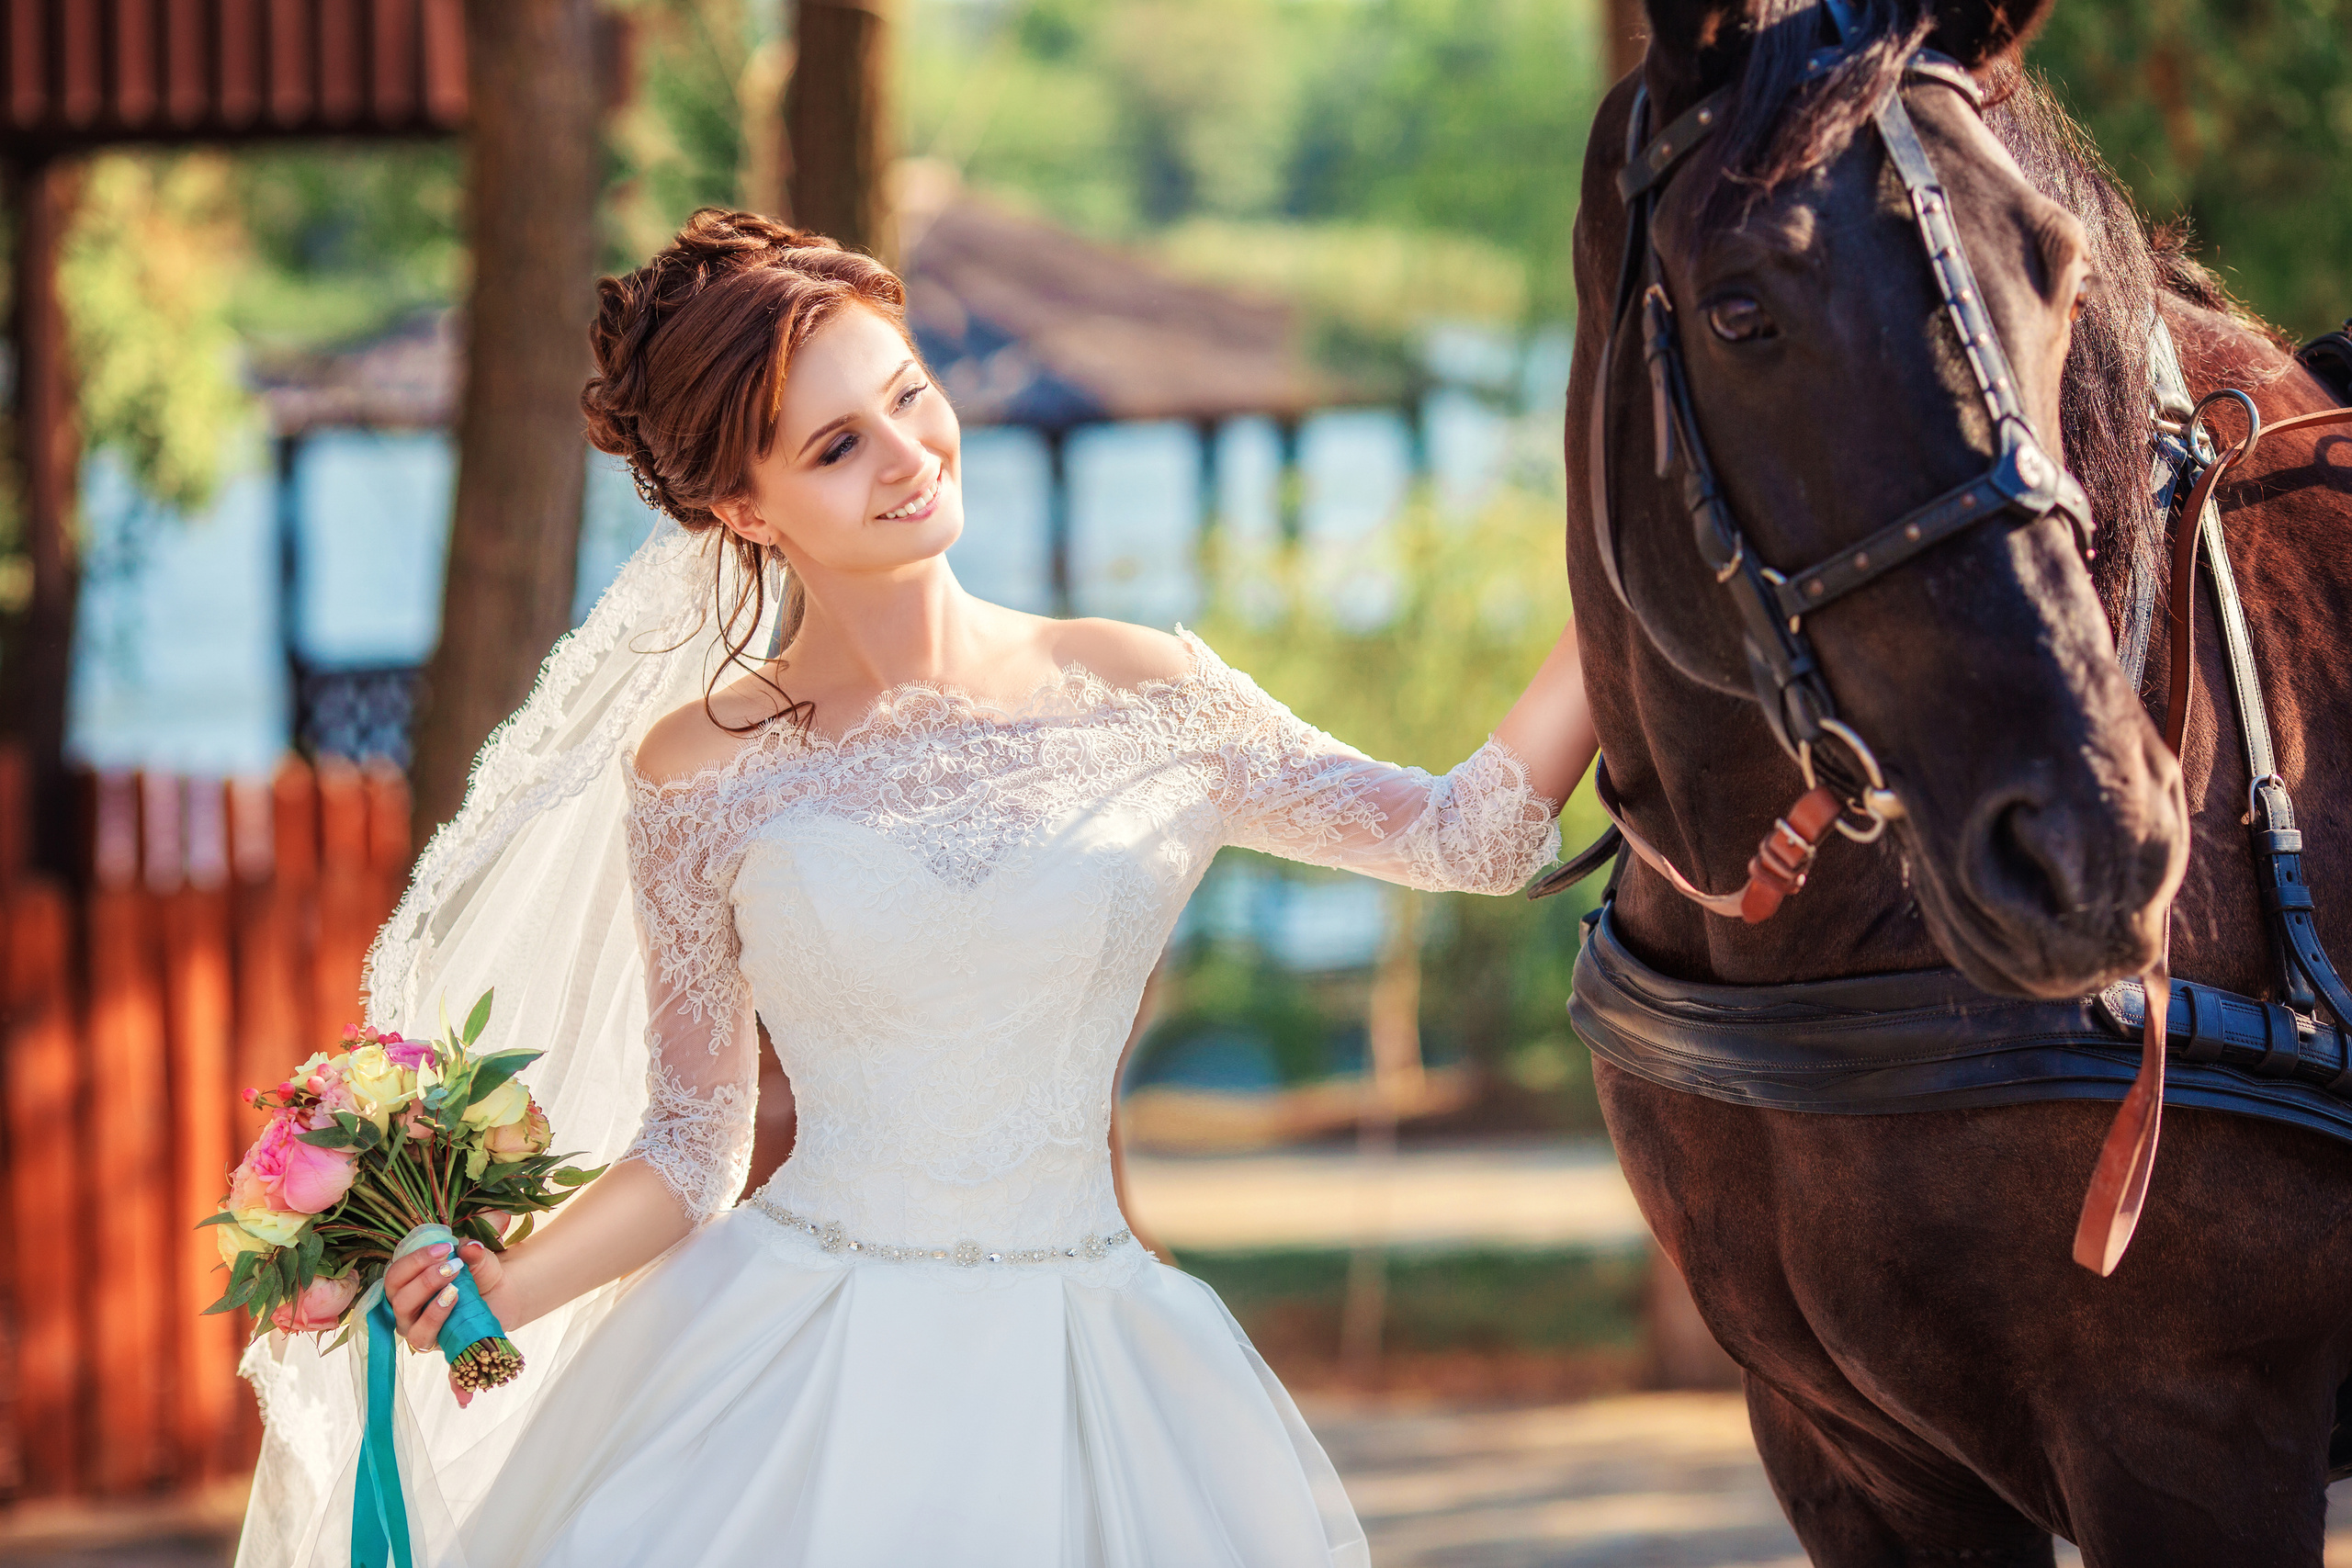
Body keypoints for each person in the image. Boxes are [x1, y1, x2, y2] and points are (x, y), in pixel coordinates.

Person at [233, 209, 1597, 1568]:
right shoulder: (698, 769)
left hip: (1091, 1355)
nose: (907, 458)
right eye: (837, 446)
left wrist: (1633, 584)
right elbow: (694, 1140)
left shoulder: (1145, 691)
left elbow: (1468, 836)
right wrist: (507, 1283)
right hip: (796, 1361)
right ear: (739, 508)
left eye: (908, 397)